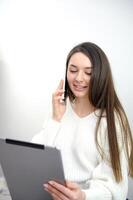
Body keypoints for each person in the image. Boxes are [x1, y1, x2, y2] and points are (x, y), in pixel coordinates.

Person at [32, 42, 133, 200]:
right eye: (73, 70)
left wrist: (83, 196)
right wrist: (55, 119)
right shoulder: (60, 108)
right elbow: (35, 157)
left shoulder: (113, 119)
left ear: (100, 75)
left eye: (88, 72)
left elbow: (116, 188)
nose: (79, 78)